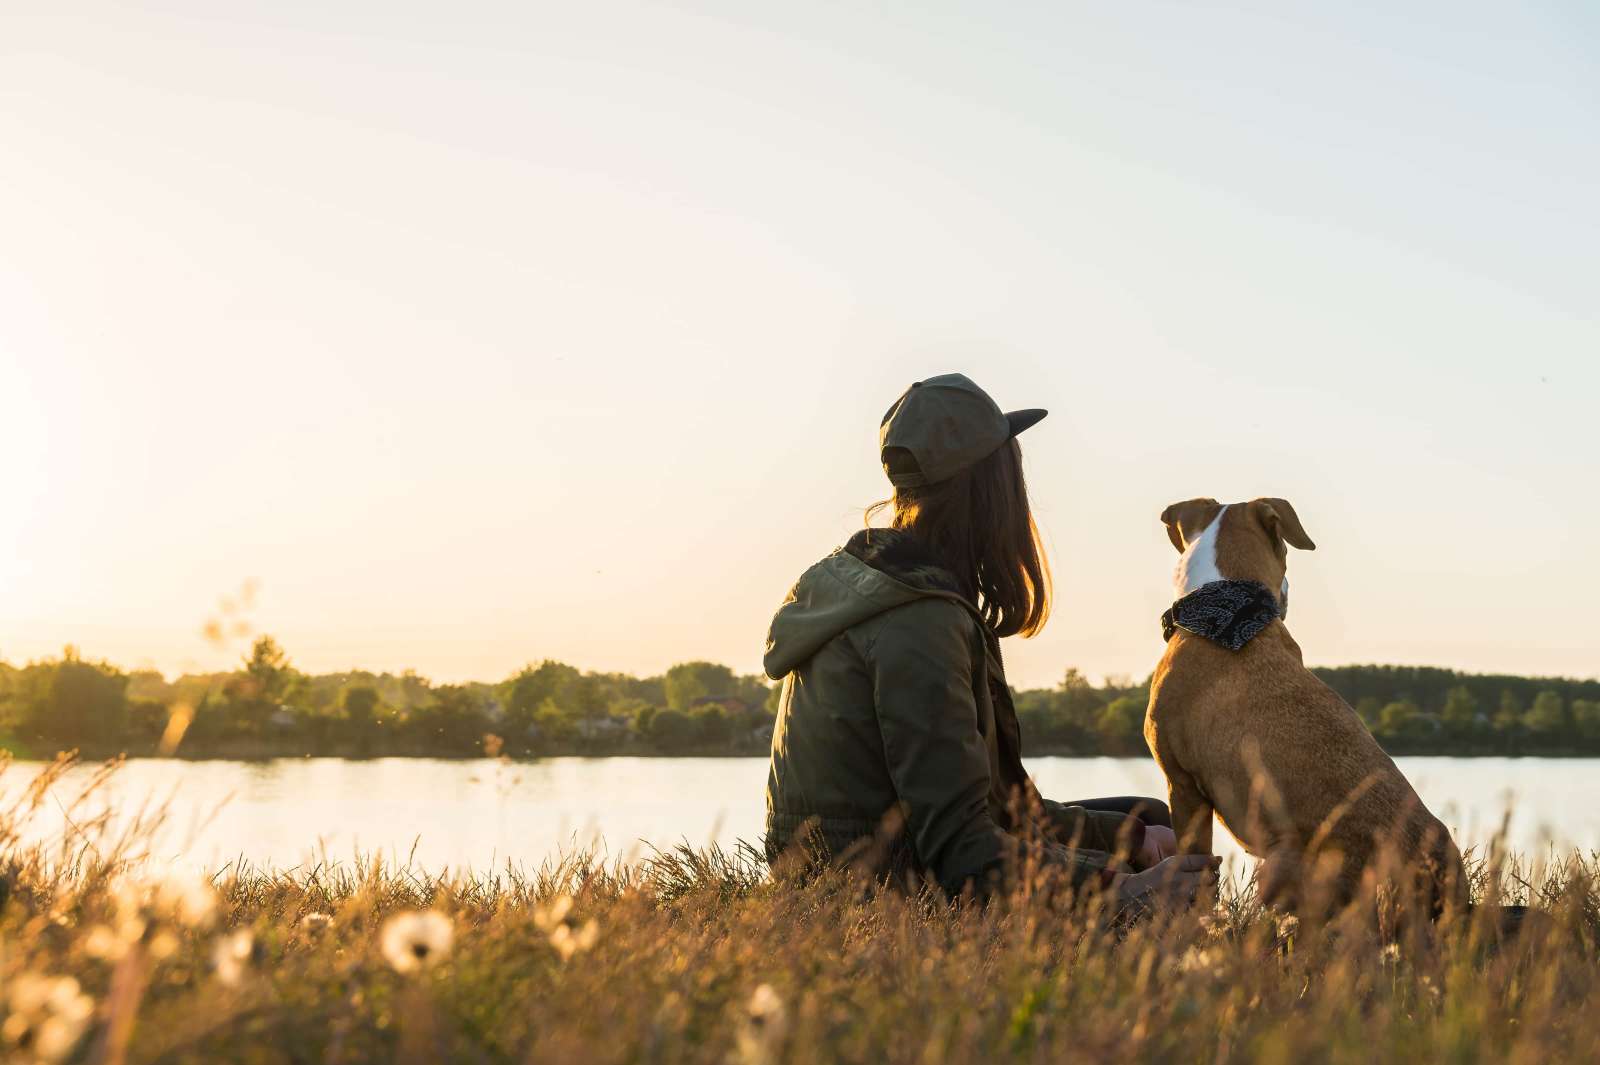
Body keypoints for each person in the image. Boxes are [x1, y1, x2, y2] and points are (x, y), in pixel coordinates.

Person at [761, 373, 1218, 909]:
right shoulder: (917, 622)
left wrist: (1132, 841)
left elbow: (999, 805)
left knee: (1147, 823)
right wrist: (1119, 889)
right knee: (1151, 885)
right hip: (877, 890)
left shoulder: (900, 585)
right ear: (991, 489)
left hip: (881, 860)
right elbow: (963, 851)